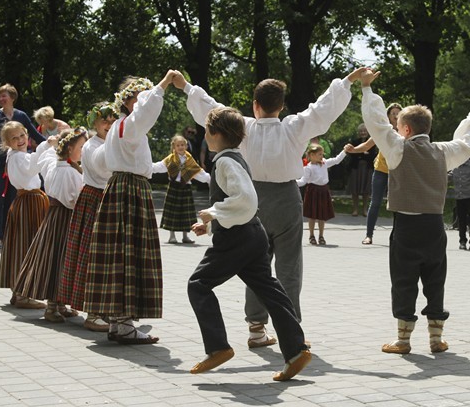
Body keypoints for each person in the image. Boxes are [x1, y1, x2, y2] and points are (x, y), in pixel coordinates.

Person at [174, 66, 366, 348]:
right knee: (289, 266)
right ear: (282, 106)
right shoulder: (293, 126)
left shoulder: (243, 126)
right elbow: (322, 109)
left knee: (255, 264)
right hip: (287, 197)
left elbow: (211, 109)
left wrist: (187, 86)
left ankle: (256, 328)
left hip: (251, 200)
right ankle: (292, 330)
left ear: (255, 104)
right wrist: (347, 81)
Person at [358, 69, 470, 355]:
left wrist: (367, 90)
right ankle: (436, 338)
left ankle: (403, 341)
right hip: (434, 227)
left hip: (406, 227)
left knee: (403, 281)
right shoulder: (443, 151)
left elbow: (377, 124)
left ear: (405, 129)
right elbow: (467, 143)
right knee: (435, 279)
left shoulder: (397, 148)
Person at [187, 106, 311, 381]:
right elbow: (240, 201)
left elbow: (245, 199)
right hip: (253, 234)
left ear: (215, 133)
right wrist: (209, 224)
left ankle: (218, 347)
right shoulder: (236, 158)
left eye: (206, 130)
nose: (204, 134)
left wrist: (214, 213)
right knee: (270, 291)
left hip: (237, 239)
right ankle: (295, 351)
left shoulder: (224, 162)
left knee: (198, 285)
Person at [82, 72, 176, 344]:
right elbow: (147, 111)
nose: (145, 99)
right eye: (140, 96)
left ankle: (118, 322)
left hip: (122, 188)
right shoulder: (128, 125)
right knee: (127, 254)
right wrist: (161, 85)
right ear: (130, 100)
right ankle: (122, 324)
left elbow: (104, 163)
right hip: (129, 191)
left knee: (119, 254)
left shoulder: (120, 128)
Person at [15, 129, 86, 322]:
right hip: (64, 218)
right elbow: (71, 199)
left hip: (54, 217)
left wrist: (51, 144)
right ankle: (52, 307)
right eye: (81, 147)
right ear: (70, 149)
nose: (83, 150)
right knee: (58, 260)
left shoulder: (55, 164)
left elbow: (45, 156)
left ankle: (60, 304)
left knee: (55, 258)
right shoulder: (67, 171)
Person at [57, 102, 116, 332]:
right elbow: (104, 170)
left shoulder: (108, 142)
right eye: (104, 121)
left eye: (113, 121)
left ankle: (103, 309)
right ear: (95, 122)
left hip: (106, 198)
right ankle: (93, 313)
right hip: (95, 200)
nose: (109, 125)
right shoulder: (92, 145)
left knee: (106, 256)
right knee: (94, 255)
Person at [0, 84, 45, 250]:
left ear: (12, 97)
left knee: (12, 197)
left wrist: (54, 144)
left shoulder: (21, 115)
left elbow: (33, 133)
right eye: (0, 96)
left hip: (19, 163)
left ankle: (9, 232)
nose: (2, 99)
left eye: (5, 96)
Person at [0, 121, 50, 309]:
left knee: (21, 244)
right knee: (28, 244)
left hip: (26, 201)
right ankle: (22, 294)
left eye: (22, 135)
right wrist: (46, 146)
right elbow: (32, 166)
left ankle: (18, 291)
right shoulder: (19, 157)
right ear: (7, 142)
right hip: (29, 202)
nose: (20, 140)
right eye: (14, 138)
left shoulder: (17, 155)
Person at [346, 103, 402, 245]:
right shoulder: (383, 130)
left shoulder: (406, 131)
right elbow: (366, 146)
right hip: (381, 170)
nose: (396, 115)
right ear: (388, 116)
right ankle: (369, 235)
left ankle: (396, 236)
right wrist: (353, 150)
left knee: (398, 204)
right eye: (393, 113)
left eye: (398, 113)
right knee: (375, 202)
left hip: (398, 171)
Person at [153, 134, 210, 244]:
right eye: (178, 145)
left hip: (185, 187)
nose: (180, 147)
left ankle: (185, 236)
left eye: (182, 145)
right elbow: (159, 166)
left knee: (186, 213)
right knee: (172, 212)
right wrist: (147, 167)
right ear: (174, 147)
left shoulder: (189, 160)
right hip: (174, 187)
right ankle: (172, 236)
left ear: (186, 146)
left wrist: (209, 179)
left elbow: (198, 172)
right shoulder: (170, 159)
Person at [296, 144, 347, 245]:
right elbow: (303, 181)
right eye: (319, 154)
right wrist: (292, 182)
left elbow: (336, 160)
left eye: (322, 154)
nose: (322, 156)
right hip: (313, 191)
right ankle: (311, 235)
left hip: (323, 191)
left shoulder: (325, 163)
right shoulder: (308, 168)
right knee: (312, 215)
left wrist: (344, 151)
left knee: (322, 215)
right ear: (312, 155)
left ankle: (321, 235)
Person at [348, 123, 377, 217]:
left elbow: (372, 156)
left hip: (367, 168)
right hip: (356, 168)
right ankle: (355, 209)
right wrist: (363, 153)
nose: (363, 132)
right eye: (361, 131)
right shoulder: (354, 142)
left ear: (368, 132)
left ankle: (365, 209)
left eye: (364, 131)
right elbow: (352, 154)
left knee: (366, 190)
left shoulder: (372, 143)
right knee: (354, 189)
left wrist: (359, 153)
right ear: (358, 132)